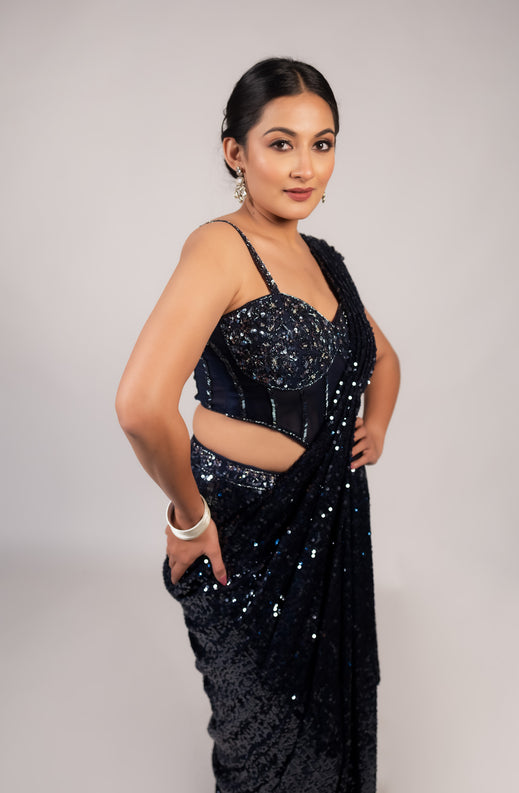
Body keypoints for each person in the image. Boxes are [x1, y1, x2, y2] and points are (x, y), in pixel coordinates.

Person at [116, 57, 400, 793]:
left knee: (327, 722)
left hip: (331, 521)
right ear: (234, 152)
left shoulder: (323, 260)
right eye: (281, 143)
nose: (305, 167)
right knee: (258, 743)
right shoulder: (221, 247)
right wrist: (188, 517)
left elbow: (381, 357)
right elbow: (142, 405)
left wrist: (373, 424)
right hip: (241, 531)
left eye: (322, 143)